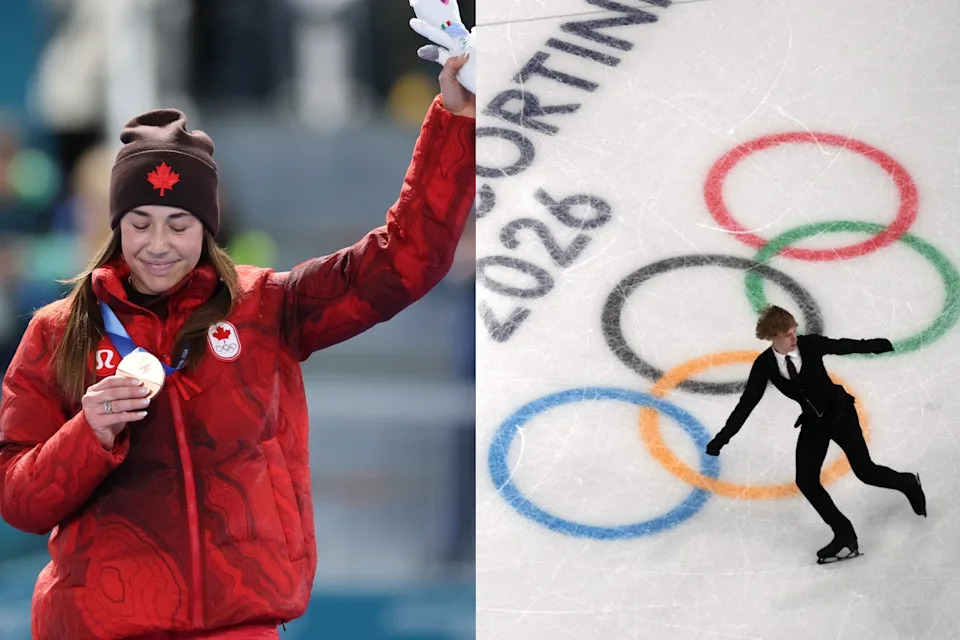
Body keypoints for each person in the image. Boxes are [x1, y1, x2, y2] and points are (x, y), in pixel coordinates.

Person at [0, 49, 475, 640]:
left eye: (179, 224)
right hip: (100, 628)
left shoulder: (264, 307)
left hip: (238, 626)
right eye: (139, 222)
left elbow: (406, 259)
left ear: (208, 226)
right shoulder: (59, 330)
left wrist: (453, 122)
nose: (158, 243)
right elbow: (18, 500)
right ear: (116, 225)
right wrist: (86, 434)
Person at [705, 306, 926, 563]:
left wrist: (887, 345)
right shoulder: (765, 365)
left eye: (795, 331)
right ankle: (844, 533)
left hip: (840, 414)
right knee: (806, 481)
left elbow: (846, 345)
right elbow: (746, 405)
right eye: (788, 334)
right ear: (772, 336)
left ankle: (908, 482)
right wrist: (721, 439)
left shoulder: (811, 345)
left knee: (865, 471)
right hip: (814, 423)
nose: (794, 337)